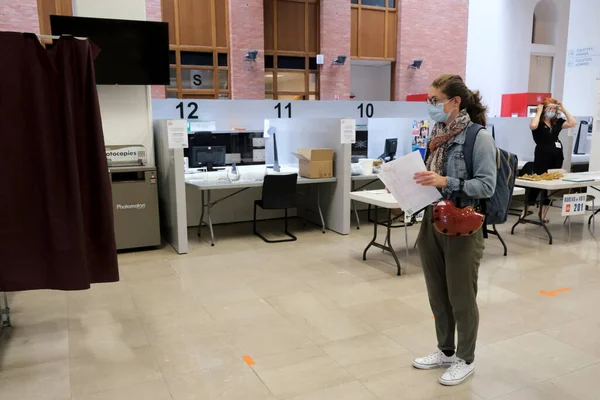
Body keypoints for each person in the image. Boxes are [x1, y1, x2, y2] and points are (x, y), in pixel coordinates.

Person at [411, 74, 497, 386]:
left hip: (463, 224)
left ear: (455, 101)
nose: (430, 106)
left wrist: (446, 182)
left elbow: (487, 185)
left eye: (435, 100)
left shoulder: (478, 137)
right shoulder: (437, 135)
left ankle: (465, 358)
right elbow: (432, 177)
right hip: (432, 220)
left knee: (461, 296)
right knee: (438, 294)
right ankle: (445, 350)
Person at [527, 99, 577, 222]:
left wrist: (563, 109)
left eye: (554, 109)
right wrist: (538, 112)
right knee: (538, 184)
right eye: (549, 108)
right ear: (544, 109)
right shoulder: (537, 122)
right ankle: (525, 211)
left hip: (556, 156)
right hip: (542, 156)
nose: (552, 111)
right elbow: (533, 126)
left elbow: (573, 122)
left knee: (549, 186)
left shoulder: (557, 122)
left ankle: (543, 215)